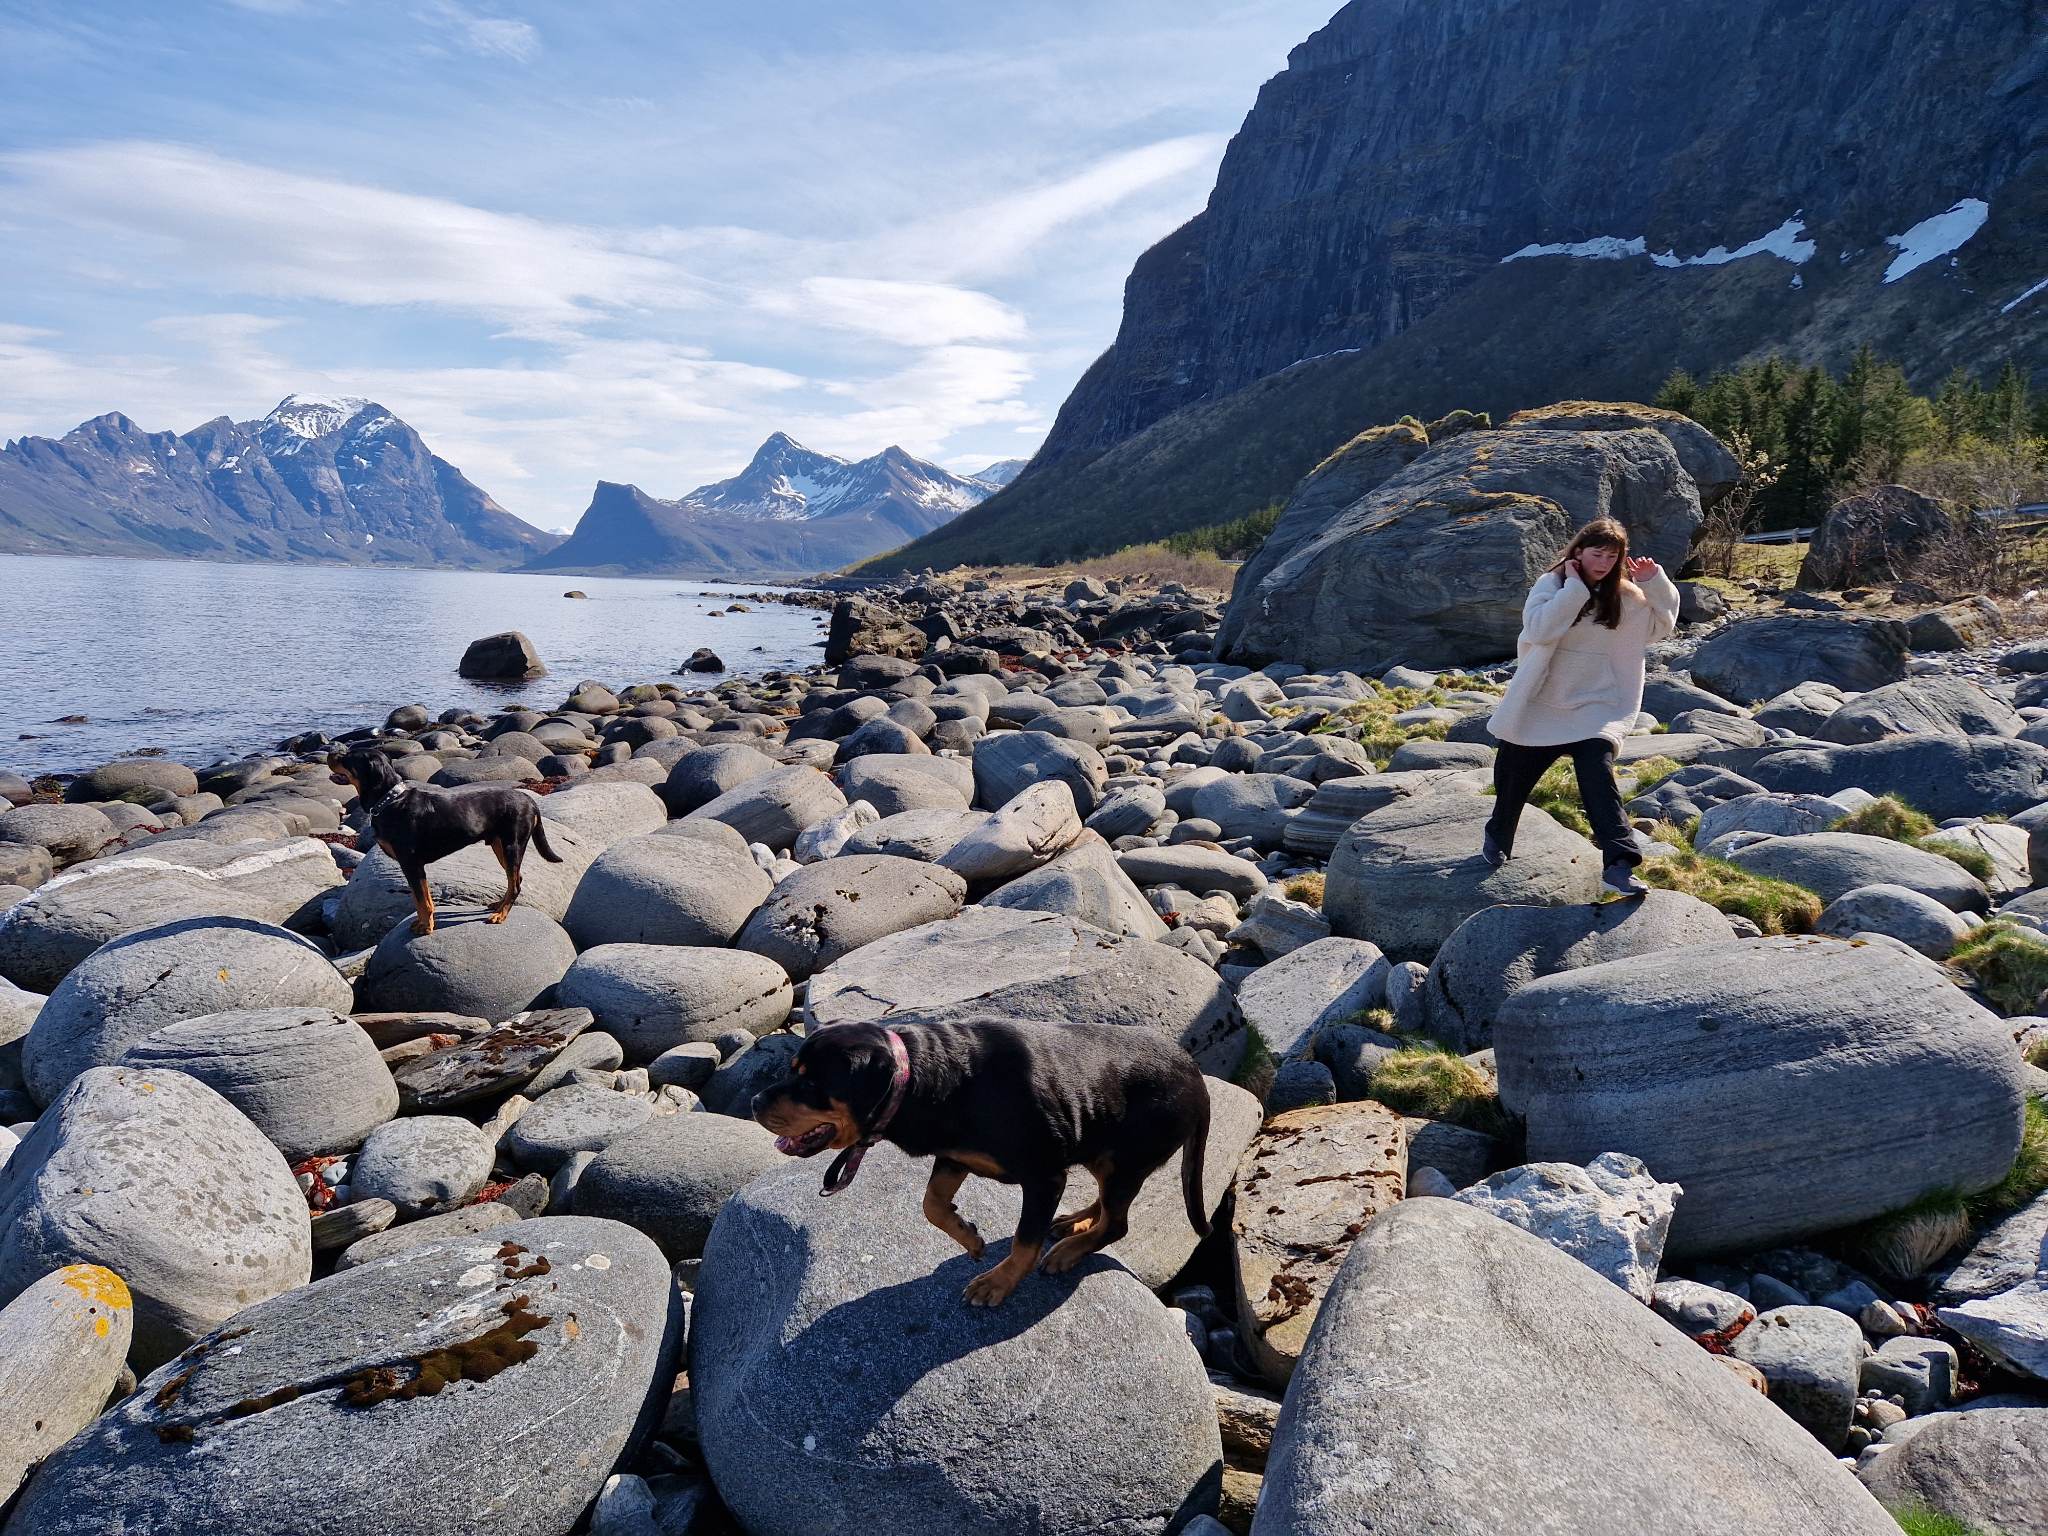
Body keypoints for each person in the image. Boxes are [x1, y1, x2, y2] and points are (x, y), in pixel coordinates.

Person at [1483, 516, 1680, 897]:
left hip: (1597, 706)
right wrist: (1573, 587)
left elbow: (1660, 627)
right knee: (1511, 782)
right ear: (1578, 552)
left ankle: (1619, 863)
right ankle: (1498, 833)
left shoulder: (1626, 596)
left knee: (1599, 780)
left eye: (1612, 555)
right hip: (1541, 703)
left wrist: (1655, 583)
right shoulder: (1552, 584)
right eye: (1597, 553)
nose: (1604, 561)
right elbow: (1539, 630)